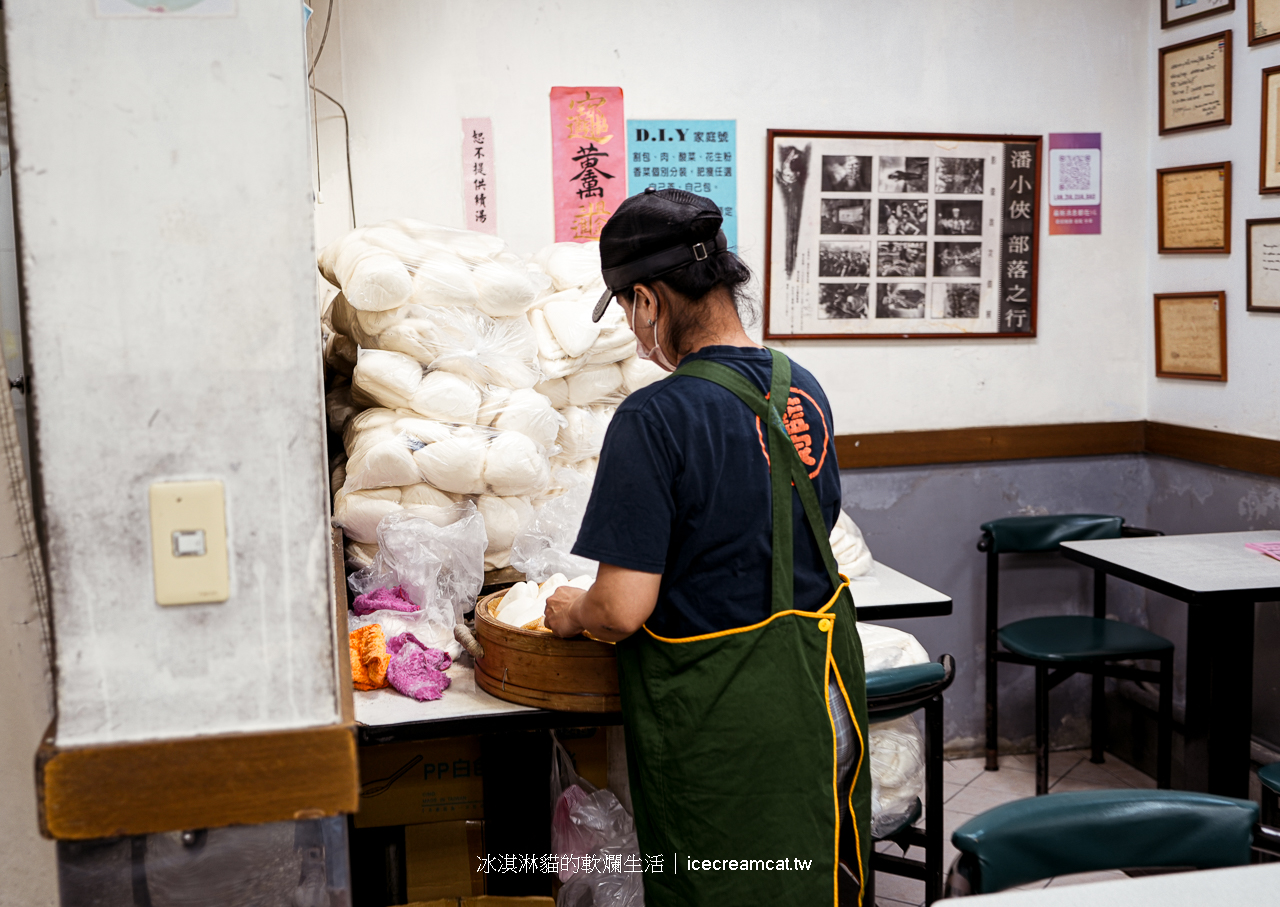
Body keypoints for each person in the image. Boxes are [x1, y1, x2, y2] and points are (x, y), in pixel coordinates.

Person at [543, 188, 871, 906]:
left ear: (652, 301)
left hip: (727, 735)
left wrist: (571, 612)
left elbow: (623, 607)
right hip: (824, 707)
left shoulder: (653, 417)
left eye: (630, 312)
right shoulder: (801, 389)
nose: (633, 333)